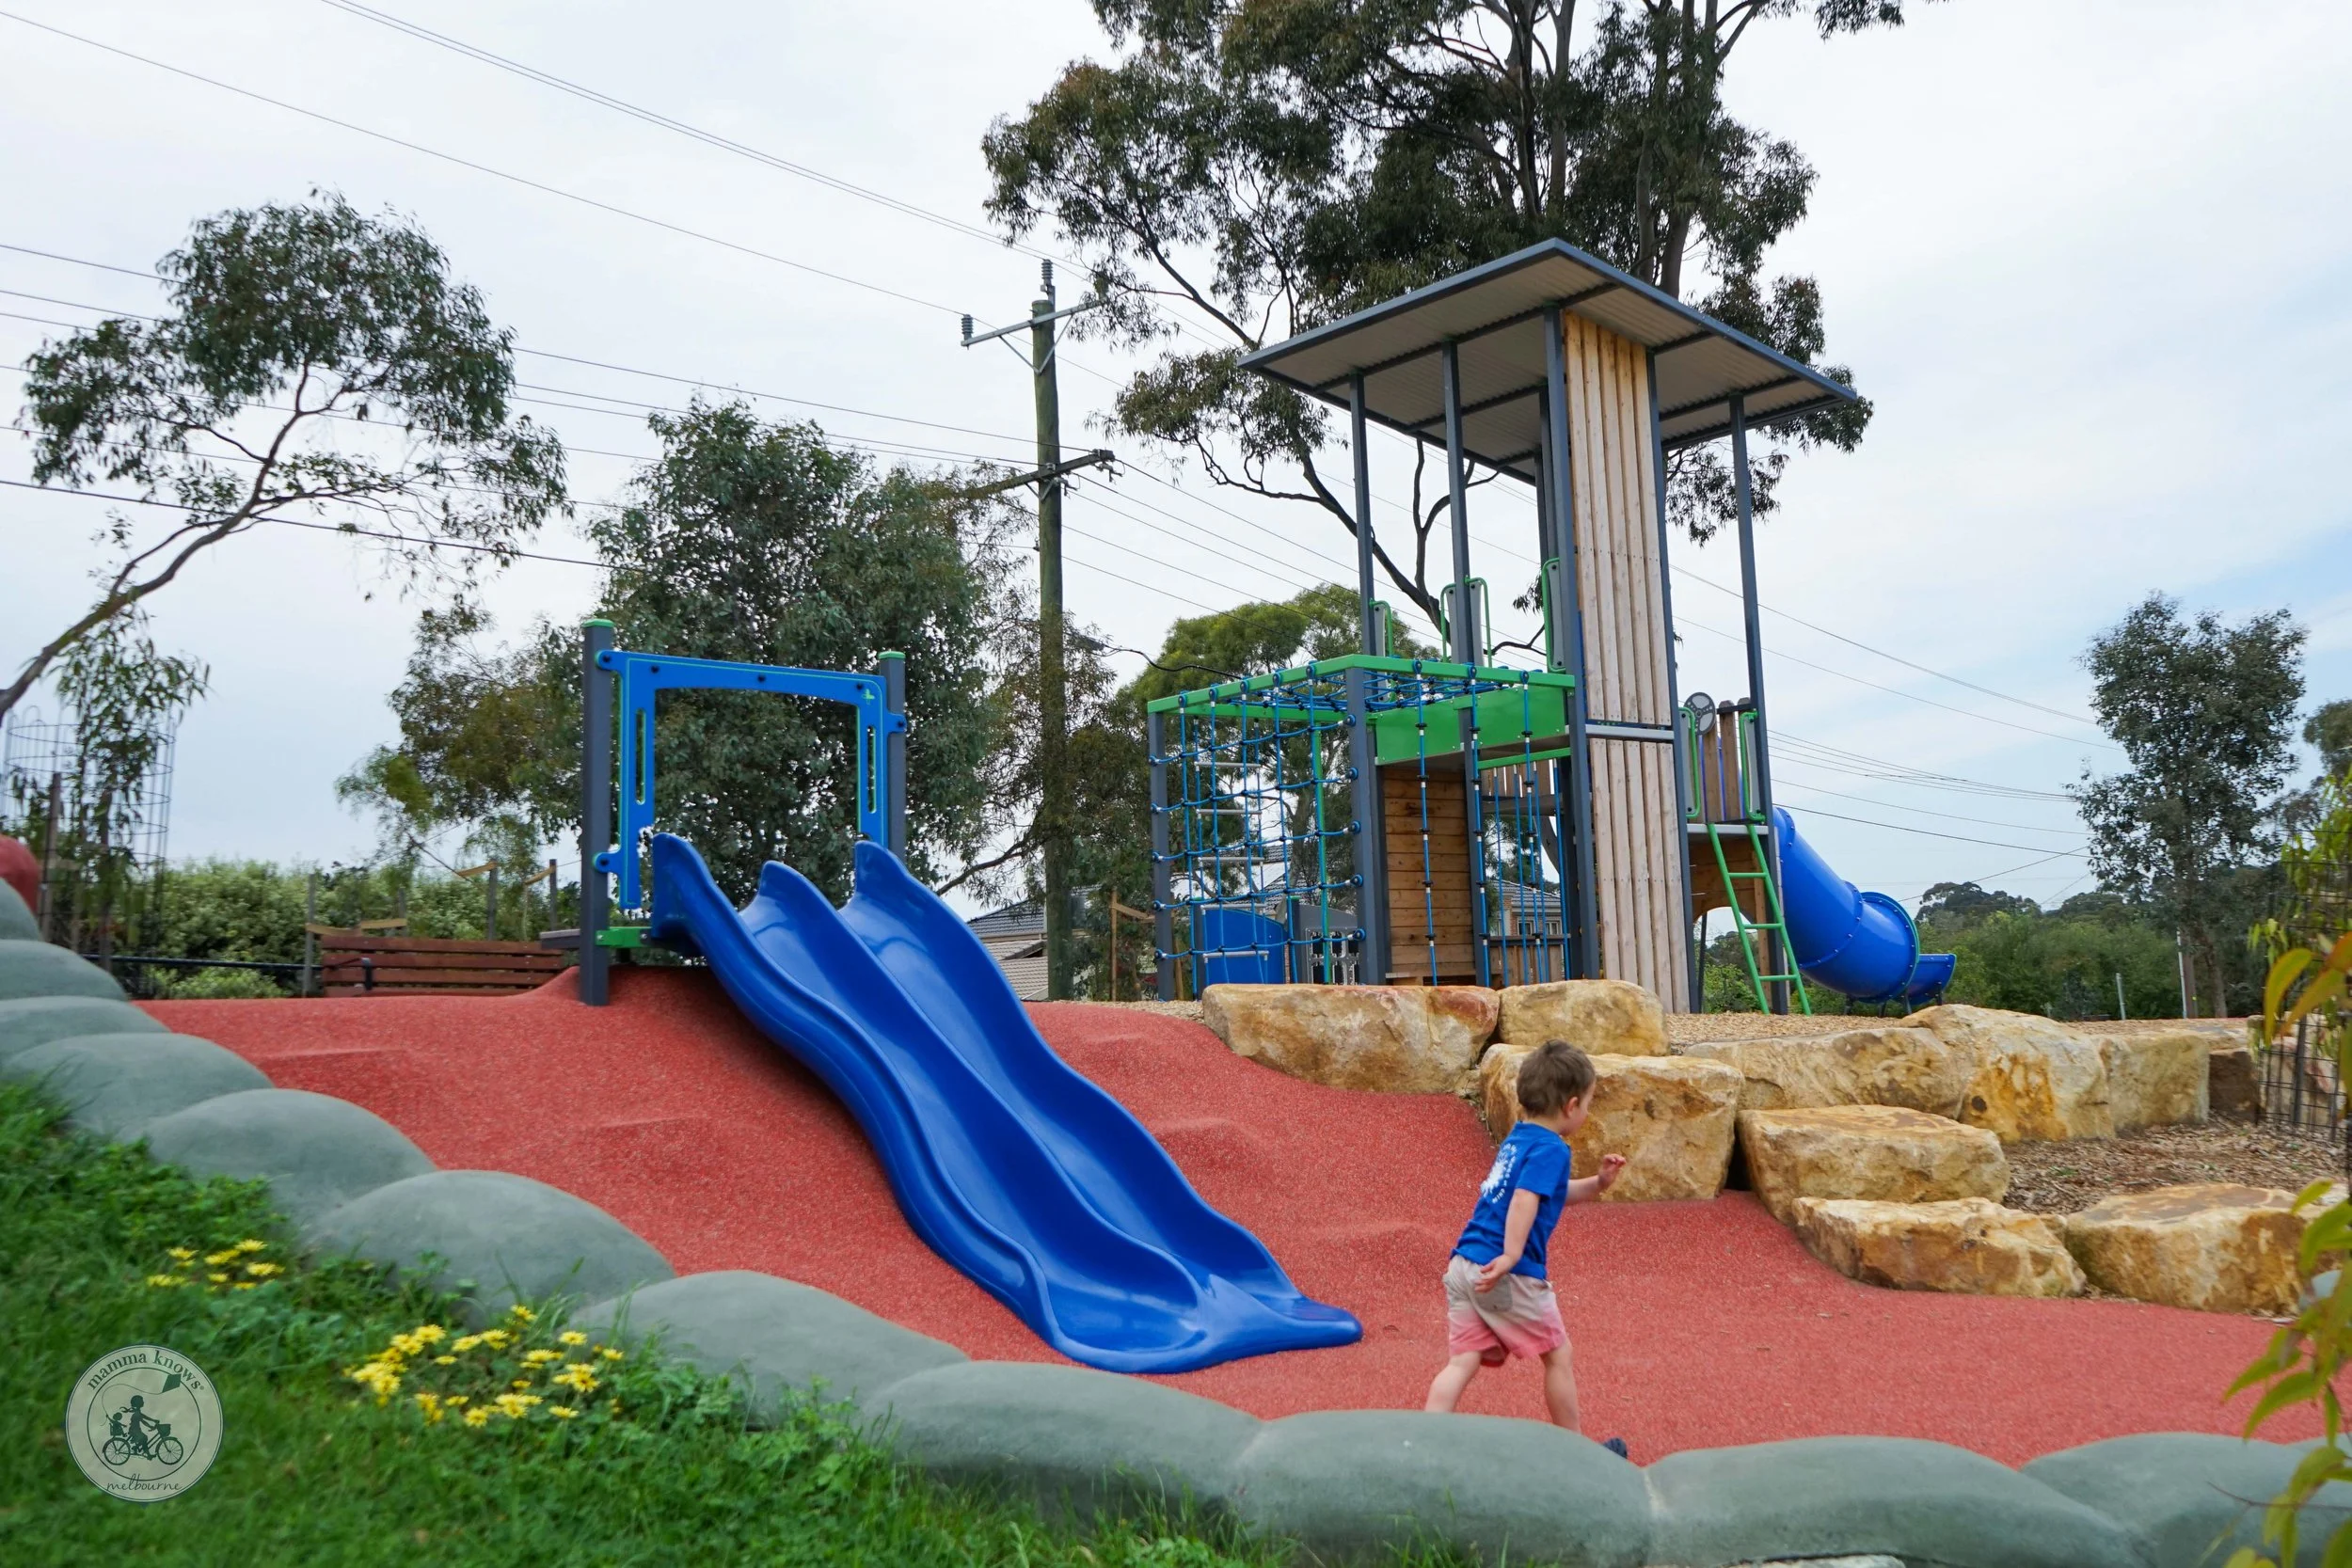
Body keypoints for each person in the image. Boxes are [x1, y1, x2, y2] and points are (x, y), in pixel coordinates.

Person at [1424, 1038, 1626, 1449]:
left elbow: (1551, 1193)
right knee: (1558, 1354)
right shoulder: (1552, 1149)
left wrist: (1598, 1183)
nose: (1586, 1112)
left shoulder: (1518, 1139)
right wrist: (1512, 1254)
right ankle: (1575, 1449)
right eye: (1588, 1104)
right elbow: (1524, 1198)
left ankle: (1423, 1440)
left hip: (1464, 1264)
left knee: (1462, 1361)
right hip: (1506, 1271)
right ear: (1571, 1106)